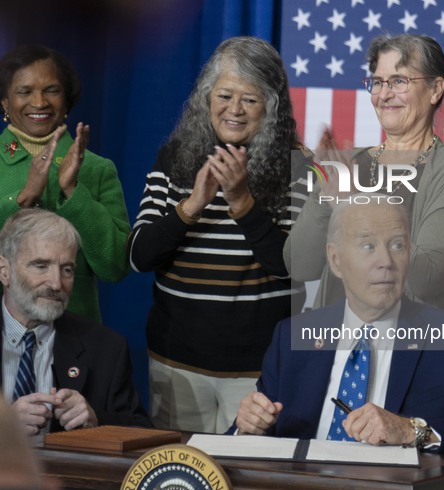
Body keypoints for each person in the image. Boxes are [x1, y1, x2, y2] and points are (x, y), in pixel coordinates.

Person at [236, 197, 444, 463]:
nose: (386, 262)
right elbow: (249, 435)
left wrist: (412, 431)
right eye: (368, 246)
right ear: (335, 260)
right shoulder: (292, 336)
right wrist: (249, 426)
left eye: (397, 245)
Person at [127, 37, 308, 433]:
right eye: (224, 95)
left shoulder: (300, 168)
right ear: (207, 98)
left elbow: (291, 267)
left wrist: (242, 202)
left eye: (251, 99)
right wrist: (191, 205)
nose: (234, 110)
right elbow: (139, 257)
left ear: (272, 108)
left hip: (258, 375)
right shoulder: (175, 158)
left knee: (249, 487)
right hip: (176, 364)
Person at [285, 34, 444, 319]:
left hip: (413, 351)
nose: (384, 94)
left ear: (435, 89)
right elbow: (299, 265)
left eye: (399, 81)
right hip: (339, 346)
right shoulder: (349, 164)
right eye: (377, 82)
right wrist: (326, 195)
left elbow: (426, 279)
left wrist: (352, 203)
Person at [0, 44, 130, 323]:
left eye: (51, 90)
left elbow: (115, 265)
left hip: (75, 339)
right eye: (24, 91)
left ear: (67, 101)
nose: (39, 102)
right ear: (5, 103)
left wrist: (73, 192)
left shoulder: (97, 169)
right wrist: (23, 200)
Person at [0, 209, 150, 435]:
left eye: (67, 270)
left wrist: (96, 419)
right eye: (41, 266)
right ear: (4, 271)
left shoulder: (105, 348)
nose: (56, 283)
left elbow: (143, 432)